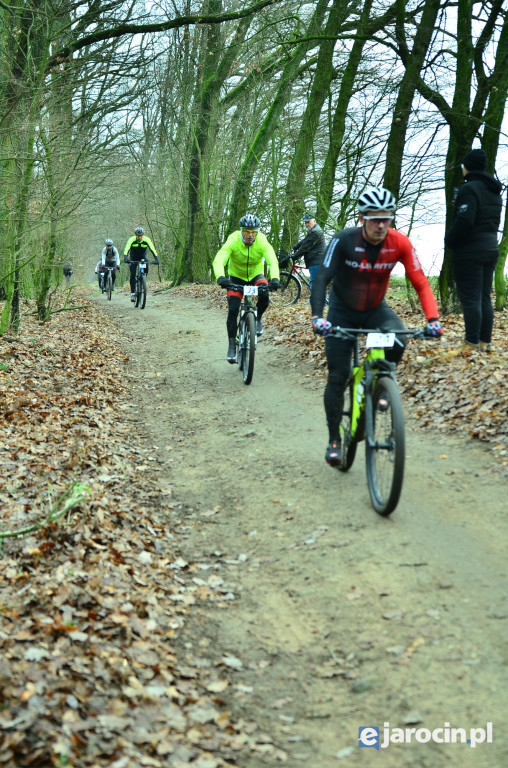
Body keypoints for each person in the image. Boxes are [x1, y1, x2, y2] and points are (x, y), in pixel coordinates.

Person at [311, 186, 443, 467]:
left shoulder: (400, 242)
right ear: (362, 218)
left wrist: (433, 320)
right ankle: (335, 438)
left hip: (375, 310)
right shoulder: (344, 239)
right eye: (375, 218)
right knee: (339, 374)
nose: (382, 224)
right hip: (341, 311)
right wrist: (317, 316)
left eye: (388, 218)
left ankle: (379, 385)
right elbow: (321, 276)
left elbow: (420, 281)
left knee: (398, 338)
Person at [445, 148, 503, 352]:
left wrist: (450, 240)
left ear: (467, 167)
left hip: (470, 250)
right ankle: (484, 341)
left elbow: (466, 219)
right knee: (484, 296)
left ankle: (471, 343)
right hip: (490, 247)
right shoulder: (494, 191)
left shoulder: (469, 189)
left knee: (471, 298)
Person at [213, 214, 280, 362]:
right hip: (236, 277)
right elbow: (220, 258)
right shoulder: (233, 239)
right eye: (246, 232)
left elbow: (272, 259)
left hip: (256, 275)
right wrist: (220, 277)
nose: (250, 235)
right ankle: (232, 344)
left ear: (257, 232)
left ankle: (258, 319)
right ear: (241, 231)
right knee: (233, 310)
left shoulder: (262, 240)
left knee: (265, 295)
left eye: (253, 232)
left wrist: (275, 278)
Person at [292, 213, 326, 299]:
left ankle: (314, 304)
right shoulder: (313, 231)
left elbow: (305, 247)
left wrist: (294, 256)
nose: (307, 224)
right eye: (305, 222)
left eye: (308, 222)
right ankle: (322, 303)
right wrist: (295, 247)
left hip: (316, 260)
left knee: (314, 284)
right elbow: (304, 241)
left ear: (314, 221)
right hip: (316, 260)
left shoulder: (315, 232)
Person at [123, 227, 160, 301]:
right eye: (138, 236)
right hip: (133, 257)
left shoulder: (146, 239)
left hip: (143, 256)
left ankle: (143, 280)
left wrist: (156, 258)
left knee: (146, 267)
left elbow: (152, 249)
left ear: (143, 235)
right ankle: (133, 293)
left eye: (141, 236)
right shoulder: (131, 239)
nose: (139, 237)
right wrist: (126, 257)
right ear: (135, 235)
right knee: (133, 273)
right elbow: (126, 249)